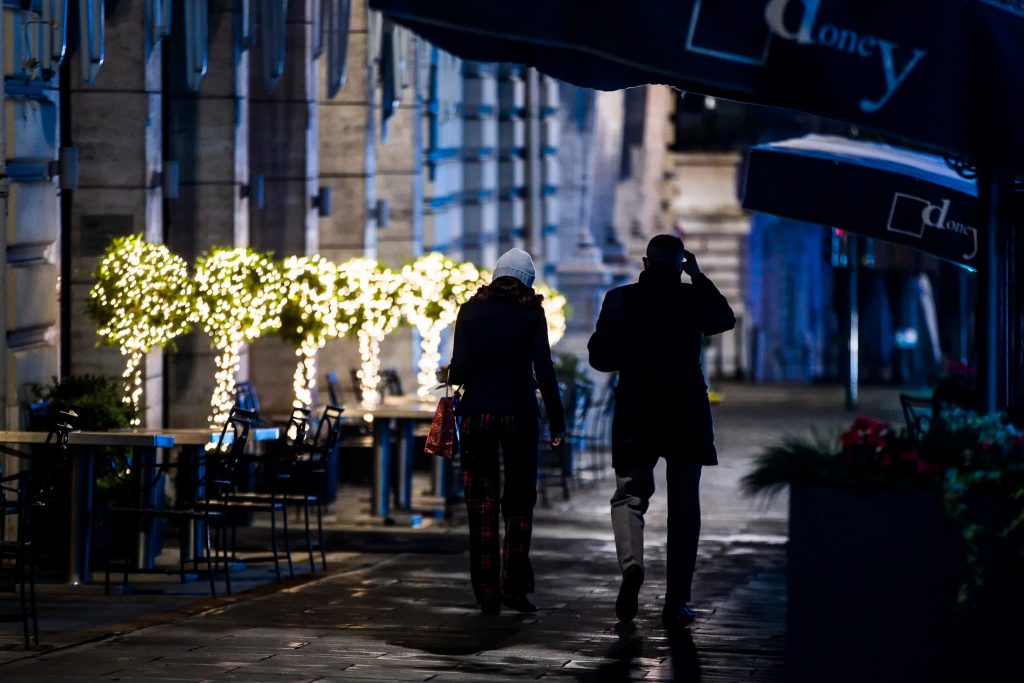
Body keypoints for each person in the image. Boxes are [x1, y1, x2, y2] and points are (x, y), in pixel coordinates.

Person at [588, 234, 735, 628]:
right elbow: (724, 318)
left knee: (630, 495)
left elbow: (599, 357)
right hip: (685, 410)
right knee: (685, 504)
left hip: (637, 408)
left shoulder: (620, 299)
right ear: (681, 263)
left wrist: (630, 353)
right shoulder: (691, 299)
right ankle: (676, 601)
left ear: (645, 261)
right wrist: (699, 277)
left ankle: (633, 565)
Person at [445, 248, 565, 615]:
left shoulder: (469, 311)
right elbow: (544, 371)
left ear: (495, 276)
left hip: (478, 414)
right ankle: (513, 587)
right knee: (518, 501)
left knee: (480, 503)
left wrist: (456, 373)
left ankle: (486, 593)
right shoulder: (532, 314)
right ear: (527, 281)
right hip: (519, 415)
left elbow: (460, 371)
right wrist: (557, 424)